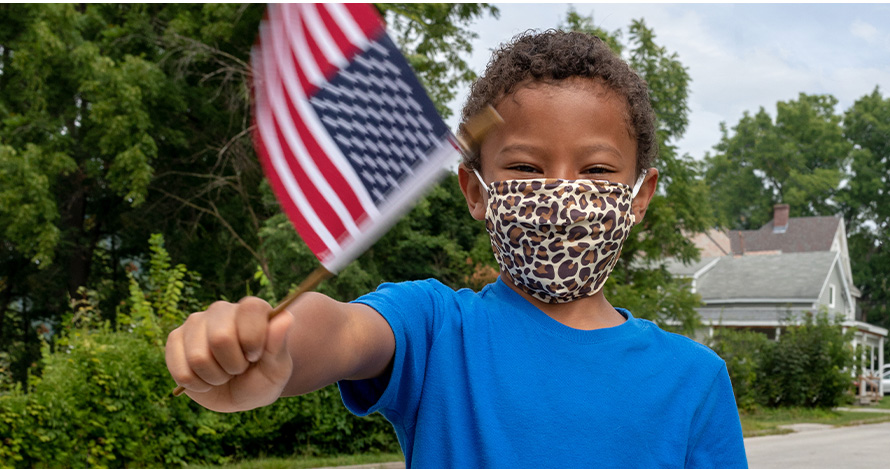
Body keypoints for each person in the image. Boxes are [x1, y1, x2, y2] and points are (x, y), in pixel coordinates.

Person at [165, 30, 748, 468]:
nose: (561, 194)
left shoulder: (694, 378)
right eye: (525, 167)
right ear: (476, 190)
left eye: (596, 170)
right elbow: (341, 331)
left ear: (638, 195)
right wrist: (268, 345)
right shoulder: (438, 329)